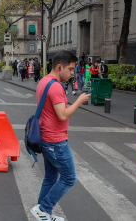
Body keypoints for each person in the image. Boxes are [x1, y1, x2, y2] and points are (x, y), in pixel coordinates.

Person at [30, 51, 90, 221]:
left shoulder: (44, 81)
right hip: (55, 140)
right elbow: (62, 115)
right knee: (70, 177)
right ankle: (44, 208)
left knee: (50, 177)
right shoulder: (56, 86)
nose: (73, 73)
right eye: (70, 69)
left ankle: (43, 213)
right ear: (59, 67)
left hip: (46, 137)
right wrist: (79, 101)